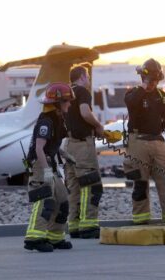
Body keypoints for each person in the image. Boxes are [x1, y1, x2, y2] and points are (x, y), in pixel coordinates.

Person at [24, 82, 75, 252]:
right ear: (58, 103)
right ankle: (34, 238)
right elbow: (39, 148)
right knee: (45, 200)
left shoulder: (57, 119)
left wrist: (65, 155)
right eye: (67, 101)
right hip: (40, 164)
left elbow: (51, 145)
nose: (69, 104)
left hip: (49, 162)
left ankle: (55, 237)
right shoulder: (46, 121)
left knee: (62, 201)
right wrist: (45, 171)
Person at [123, 58, 165, 224]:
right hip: (138, 142)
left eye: (155, 80)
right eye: (150, 80)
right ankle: (141, 219)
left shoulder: (162, 96)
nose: (153, 83)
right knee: (140, 183)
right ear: (143, 78)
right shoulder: (133, 93)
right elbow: (131, 104)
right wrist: (144, 88)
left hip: (158, 142)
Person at [63, 64, 104, 239]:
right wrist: (99, 126)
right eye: (87, 76)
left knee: (74, 187)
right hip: (82, 146)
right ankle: (88, 226)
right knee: (91, 185)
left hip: (68, 145)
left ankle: (74, 226)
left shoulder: (65, 93)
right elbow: (85, 113)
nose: (89, 79)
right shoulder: (82, 92)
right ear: (81, 76)